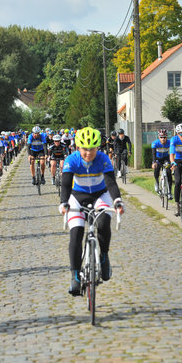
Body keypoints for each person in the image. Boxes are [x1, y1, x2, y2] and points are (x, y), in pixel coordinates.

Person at [58, 127, 125, 296]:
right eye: (85, 149)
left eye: (92, 149)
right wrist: (64, 203)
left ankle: (104, 256)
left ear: (98, 148)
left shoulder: (103, 159)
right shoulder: (71, 160)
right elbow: (65, 184)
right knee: (76, 232)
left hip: (99, 195)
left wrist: (117, 201)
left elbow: (111, 183)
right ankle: (74, 276)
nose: (88, 153)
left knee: (103, 222)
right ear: (78, 148)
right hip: (77, 196)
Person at [151, 129, 173, 198]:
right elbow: (153, 154)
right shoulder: (155, 143)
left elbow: (173, 152)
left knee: (169, 173)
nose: (163, 139)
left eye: (164, 137)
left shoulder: (169, 142)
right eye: (161, 137)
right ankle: (157, 183)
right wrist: (154, 162)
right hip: (158, 159)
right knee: (156, 170)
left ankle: (169, 192)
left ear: (167, 137)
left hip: (166, 158)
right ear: (159, 137)